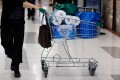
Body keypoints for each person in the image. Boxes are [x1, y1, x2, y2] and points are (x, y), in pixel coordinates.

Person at [1, 0, 41, 78]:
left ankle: (16, 67)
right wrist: (34, 6)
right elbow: (20, 3)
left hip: (19, 22)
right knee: (5, 42)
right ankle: (14, 58)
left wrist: (32, 5)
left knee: (18, 44)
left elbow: (23, 1)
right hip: (7, 22)